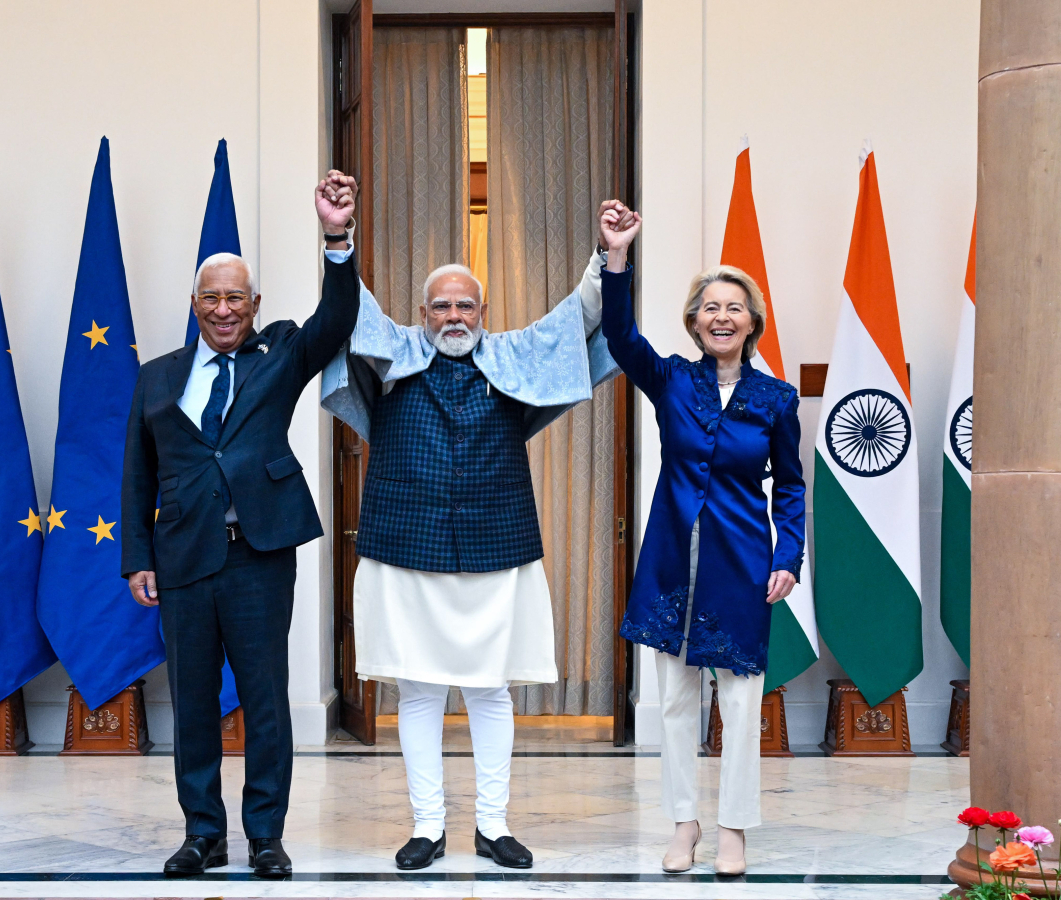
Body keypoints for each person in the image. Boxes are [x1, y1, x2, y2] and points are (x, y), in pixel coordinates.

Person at [321, 201, 634, 870]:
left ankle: (493, 827)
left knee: (492, 691)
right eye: (441, 307)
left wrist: (609, 255)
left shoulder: (516, 357)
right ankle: (427, 828)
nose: (454, 317)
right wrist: (339, 236)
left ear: (482, 313)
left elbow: (577, 317)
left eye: (466, 306)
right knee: (419, 691)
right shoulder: (395, 353)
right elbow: (349, 308)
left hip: (498, 548)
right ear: (424, 313)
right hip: (405, 547)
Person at [121, 171, 361, 878]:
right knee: (192, 703)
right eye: (212, 298)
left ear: (255, 304)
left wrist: (336, 236)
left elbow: (337, 318)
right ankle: (203, 834)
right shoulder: (158, 378)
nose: (224, 309)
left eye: (236, 298)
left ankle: (264, 836)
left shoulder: (281, 351)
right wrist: (138, 556)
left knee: (265, 702)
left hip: (259, 555)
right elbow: (136, 472)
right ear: (193, 305)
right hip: (184, 557)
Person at [599, 212, 805, 876]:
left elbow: (792, 489)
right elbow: (619, 336)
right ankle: (684, 825)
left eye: (734, 308)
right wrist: (617, 258)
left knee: (742, 704)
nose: (722, 316)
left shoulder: (775, 398)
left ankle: (733, 828)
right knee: (678, 701)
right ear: (694, 321)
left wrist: (787, 556)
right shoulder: (672, 381)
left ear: (752, 322)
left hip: (742, 565)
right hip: (670, 565)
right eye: (710, 307)